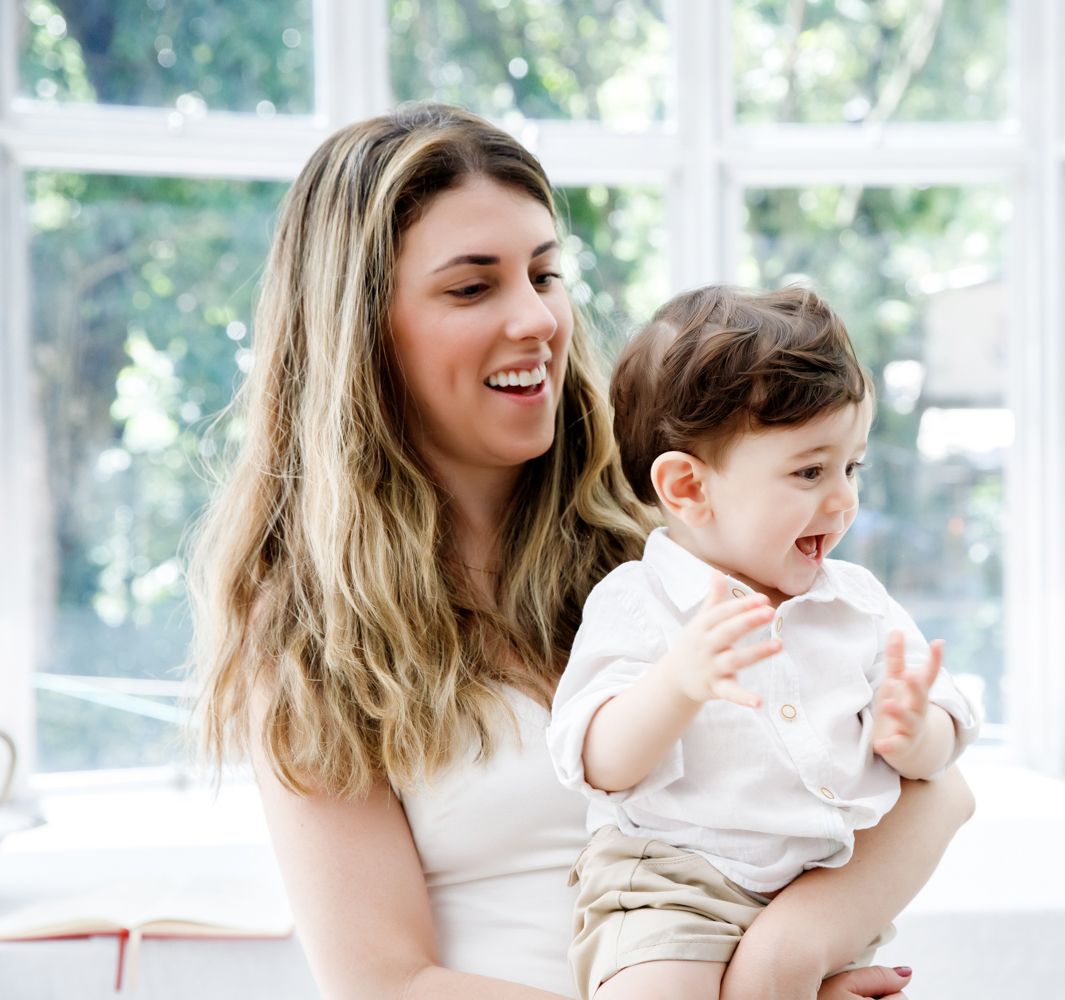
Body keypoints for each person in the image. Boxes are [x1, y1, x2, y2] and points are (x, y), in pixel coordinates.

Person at [189, 102, 974, 1000]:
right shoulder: (306, 640)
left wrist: (787, 959)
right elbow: (385, 985)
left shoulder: (667, 558)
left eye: (545, 273)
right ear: (363, 334)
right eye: (472, 286)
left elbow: (939, 794)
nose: (537, 319)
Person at [547, 285, 979, 1000]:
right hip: (671, 888)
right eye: (810, 471)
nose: (843, 499)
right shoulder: (638, 602)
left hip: (821, 887)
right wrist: (677, 684)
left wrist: (915, 734)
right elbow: (597, 761)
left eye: (852, 467)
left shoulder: (857, 604)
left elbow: (945, 754)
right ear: (688, 488)